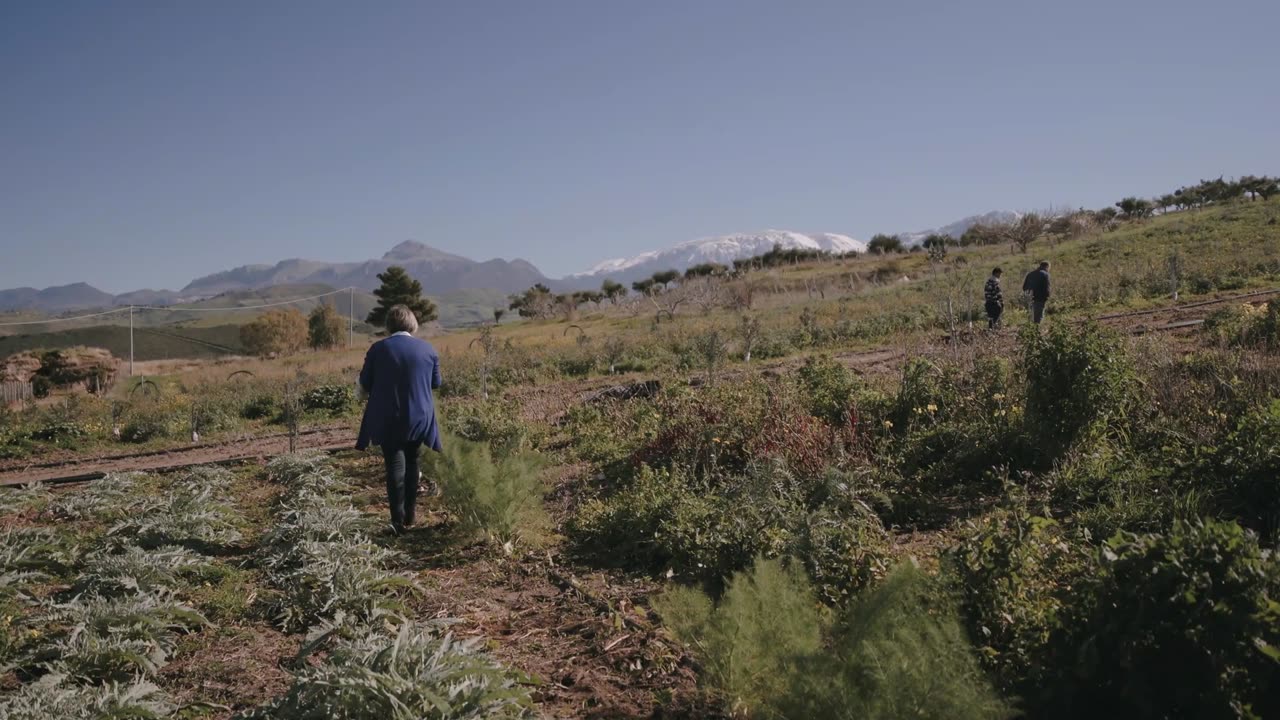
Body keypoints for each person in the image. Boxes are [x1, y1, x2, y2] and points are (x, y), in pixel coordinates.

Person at [355, 305, 442, 535]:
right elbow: (436, 383)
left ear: (389, 325)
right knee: (413, 462)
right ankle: (411, 516)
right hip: (420, 415)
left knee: (395, 464)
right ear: (412, 324)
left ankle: (397, 520)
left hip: (388, 415)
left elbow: (365, 383)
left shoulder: (378, 349)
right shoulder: (428, 349)